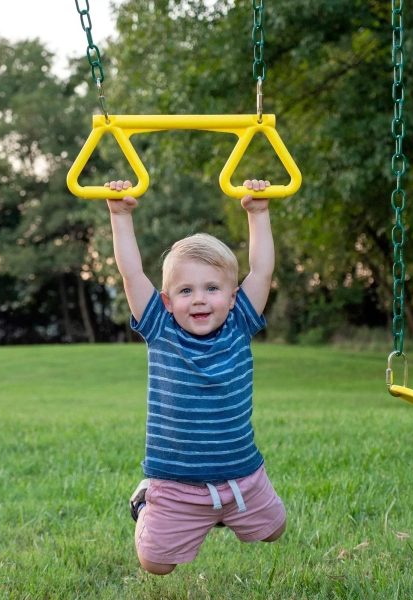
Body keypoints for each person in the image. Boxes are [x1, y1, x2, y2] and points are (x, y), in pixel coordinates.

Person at [106, 178, 286, 576]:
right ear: (168, 302)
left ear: (233, 295)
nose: (200, 298)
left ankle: (219, 512)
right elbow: (132, 272)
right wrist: (120, 216)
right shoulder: (160, 329)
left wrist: (258, 213)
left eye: (211, 288)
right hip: (175, 481)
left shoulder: (240, 323)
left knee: (275, 530)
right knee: (156, 565)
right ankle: (145, 502)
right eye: (186, 291)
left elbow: (262, 269)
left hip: (242, 475)